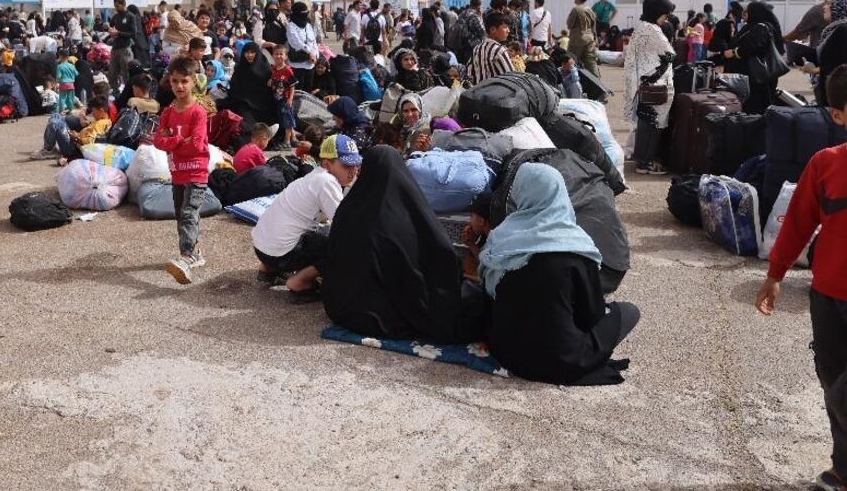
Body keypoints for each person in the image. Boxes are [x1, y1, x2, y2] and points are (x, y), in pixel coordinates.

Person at [756, 64, 847, 490]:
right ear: (838, 115)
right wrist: (775, 273)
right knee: (832, 383)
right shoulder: (825, 164)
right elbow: (797, 222)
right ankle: (842, 470)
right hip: (827, 294)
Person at [480, 163, 639, 385]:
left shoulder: (502, 239)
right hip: (563, 361)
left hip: (507, 352)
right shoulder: (575, 246)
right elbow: (591, 315)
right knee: (629, 311)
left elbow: (490, 295)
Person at [323, 146, 487, 342]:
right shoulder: (402, 213)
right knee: (472, 305)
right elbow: (438, 254)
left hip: (341, 307)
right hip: (380, 314)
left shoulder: (348, 209)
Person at [253, 134, 361, 298]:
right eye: (347, 165)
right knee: (341, 241)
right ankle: (300, 283)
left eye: (356, 164)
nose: (353, 170)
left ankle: (268, 270)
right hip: (280, 255)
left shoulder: (311, 178)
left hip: (262, 250)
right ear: (326, 164)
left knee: (313, 230)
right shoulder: (327, 181)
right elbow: (346, 223)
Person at [152, 57, 211, 284]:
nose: (179, 86)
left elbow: (197, 145)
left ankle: (186, 258)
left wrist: (172, 141)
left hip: (197, 173)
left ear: (193, 81)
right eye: (175, 81)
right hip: (177, 172)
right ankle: (193, 253)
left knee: (188, 212)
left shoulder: (198, 113)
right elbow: (157, 140)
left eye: (184, 81)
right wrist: (179, 140)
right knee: (182, 215)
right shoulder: (168, 112)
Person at [623, 0, 676, 175]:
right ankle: (646, 163)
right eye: (665, 15)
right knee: (653, 124)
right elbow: (669, 55)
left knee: (646, 122)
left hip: (645, 82)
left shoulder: (641, 27)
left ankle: (642, 161)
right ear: (656, 13)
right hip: (655, 83)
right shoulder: (652, 29)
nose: (666, 20)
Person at [722, 1, 787, 114]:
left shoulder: (761, 27)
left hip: (755, 78)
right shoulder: (755, 26)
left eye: (748, 10)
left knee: (756, 106)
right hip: (753, 76)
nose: (745, 12)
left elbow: (753, 46)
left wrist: (734, 52)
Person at [33, 95, 113, 162]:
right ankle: (50, 149)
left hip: (73, 149)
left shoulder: (100, 124)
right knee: (56, 116)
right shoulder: (103, 120)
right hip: (75, 142)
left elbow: (90, 142)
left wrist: (76, 137)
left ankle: (48, 150)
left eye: (93, 111)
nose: (91, 113)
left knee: (55, 123)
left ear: (101, 111)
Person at [810, 0, 847, 106]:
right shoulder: (834, 29)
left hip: (837, 99)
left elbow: (839, 67)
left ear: (840, 6)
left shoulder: (842, 31)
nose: (824, 7)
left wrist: (813, 70)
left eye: (829, 3)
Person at [465, 11, 514, 85]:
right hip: (496, 94)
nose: (508, 31)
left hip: (478, 93)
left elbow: (469, 73)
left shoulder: (477, 48)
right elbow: (511, 77)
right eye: (505, 27)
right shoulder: (499, 50)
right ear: (493, 29)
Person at [268, 45, 298, 149]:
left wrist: (290, 98)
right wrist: (270, 81)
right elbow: (274, 80)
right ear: (273, 55)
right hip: (277, 99)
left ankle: (287, 141)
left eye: (281, 54)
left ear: (285, 56)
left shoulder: (288, 70)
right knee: (284, 118)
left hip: (285, 99)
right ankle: (293, 138)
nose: (278, 56)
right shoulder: (273, 69)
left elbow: (292, 86)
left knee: (287, 120)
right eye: (276, 54)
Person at [286, 1, 319, 93]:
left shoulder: (308, 26)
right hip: (297, 65)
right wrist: (310, 53)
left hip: (310, 64)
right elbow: (296, 42)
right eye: (303, 13)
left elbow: (314, 42)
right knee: (297, 92)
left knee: (308, 92)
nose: (305, 15)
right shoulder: (291, 26)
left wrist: (315, 55)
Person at [107, 0, 137, 94]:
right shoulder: (116, 16)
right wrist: (107, 27)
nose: (116, 8)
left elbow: (133, 34)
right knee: (112, 72)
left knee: (126, 73)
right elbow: (111, 27)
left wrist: (119, 33)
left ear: (124, 4)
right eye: (115, 6)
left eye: (118, 6)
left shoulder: (130, 16)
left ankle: (129, 92)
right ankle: (115, 91)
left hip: (125, 49)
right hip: (115, 48)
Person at [567, 0, 600, 76]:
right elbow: (594, 26)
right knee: (591, 63)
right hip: (590, 38)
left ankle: (573, 82)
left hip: (577, 39)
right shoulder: (590, 10)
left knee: (572, 61)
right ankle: (598, 83)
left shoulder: (576, 9)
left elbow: (569, 25)